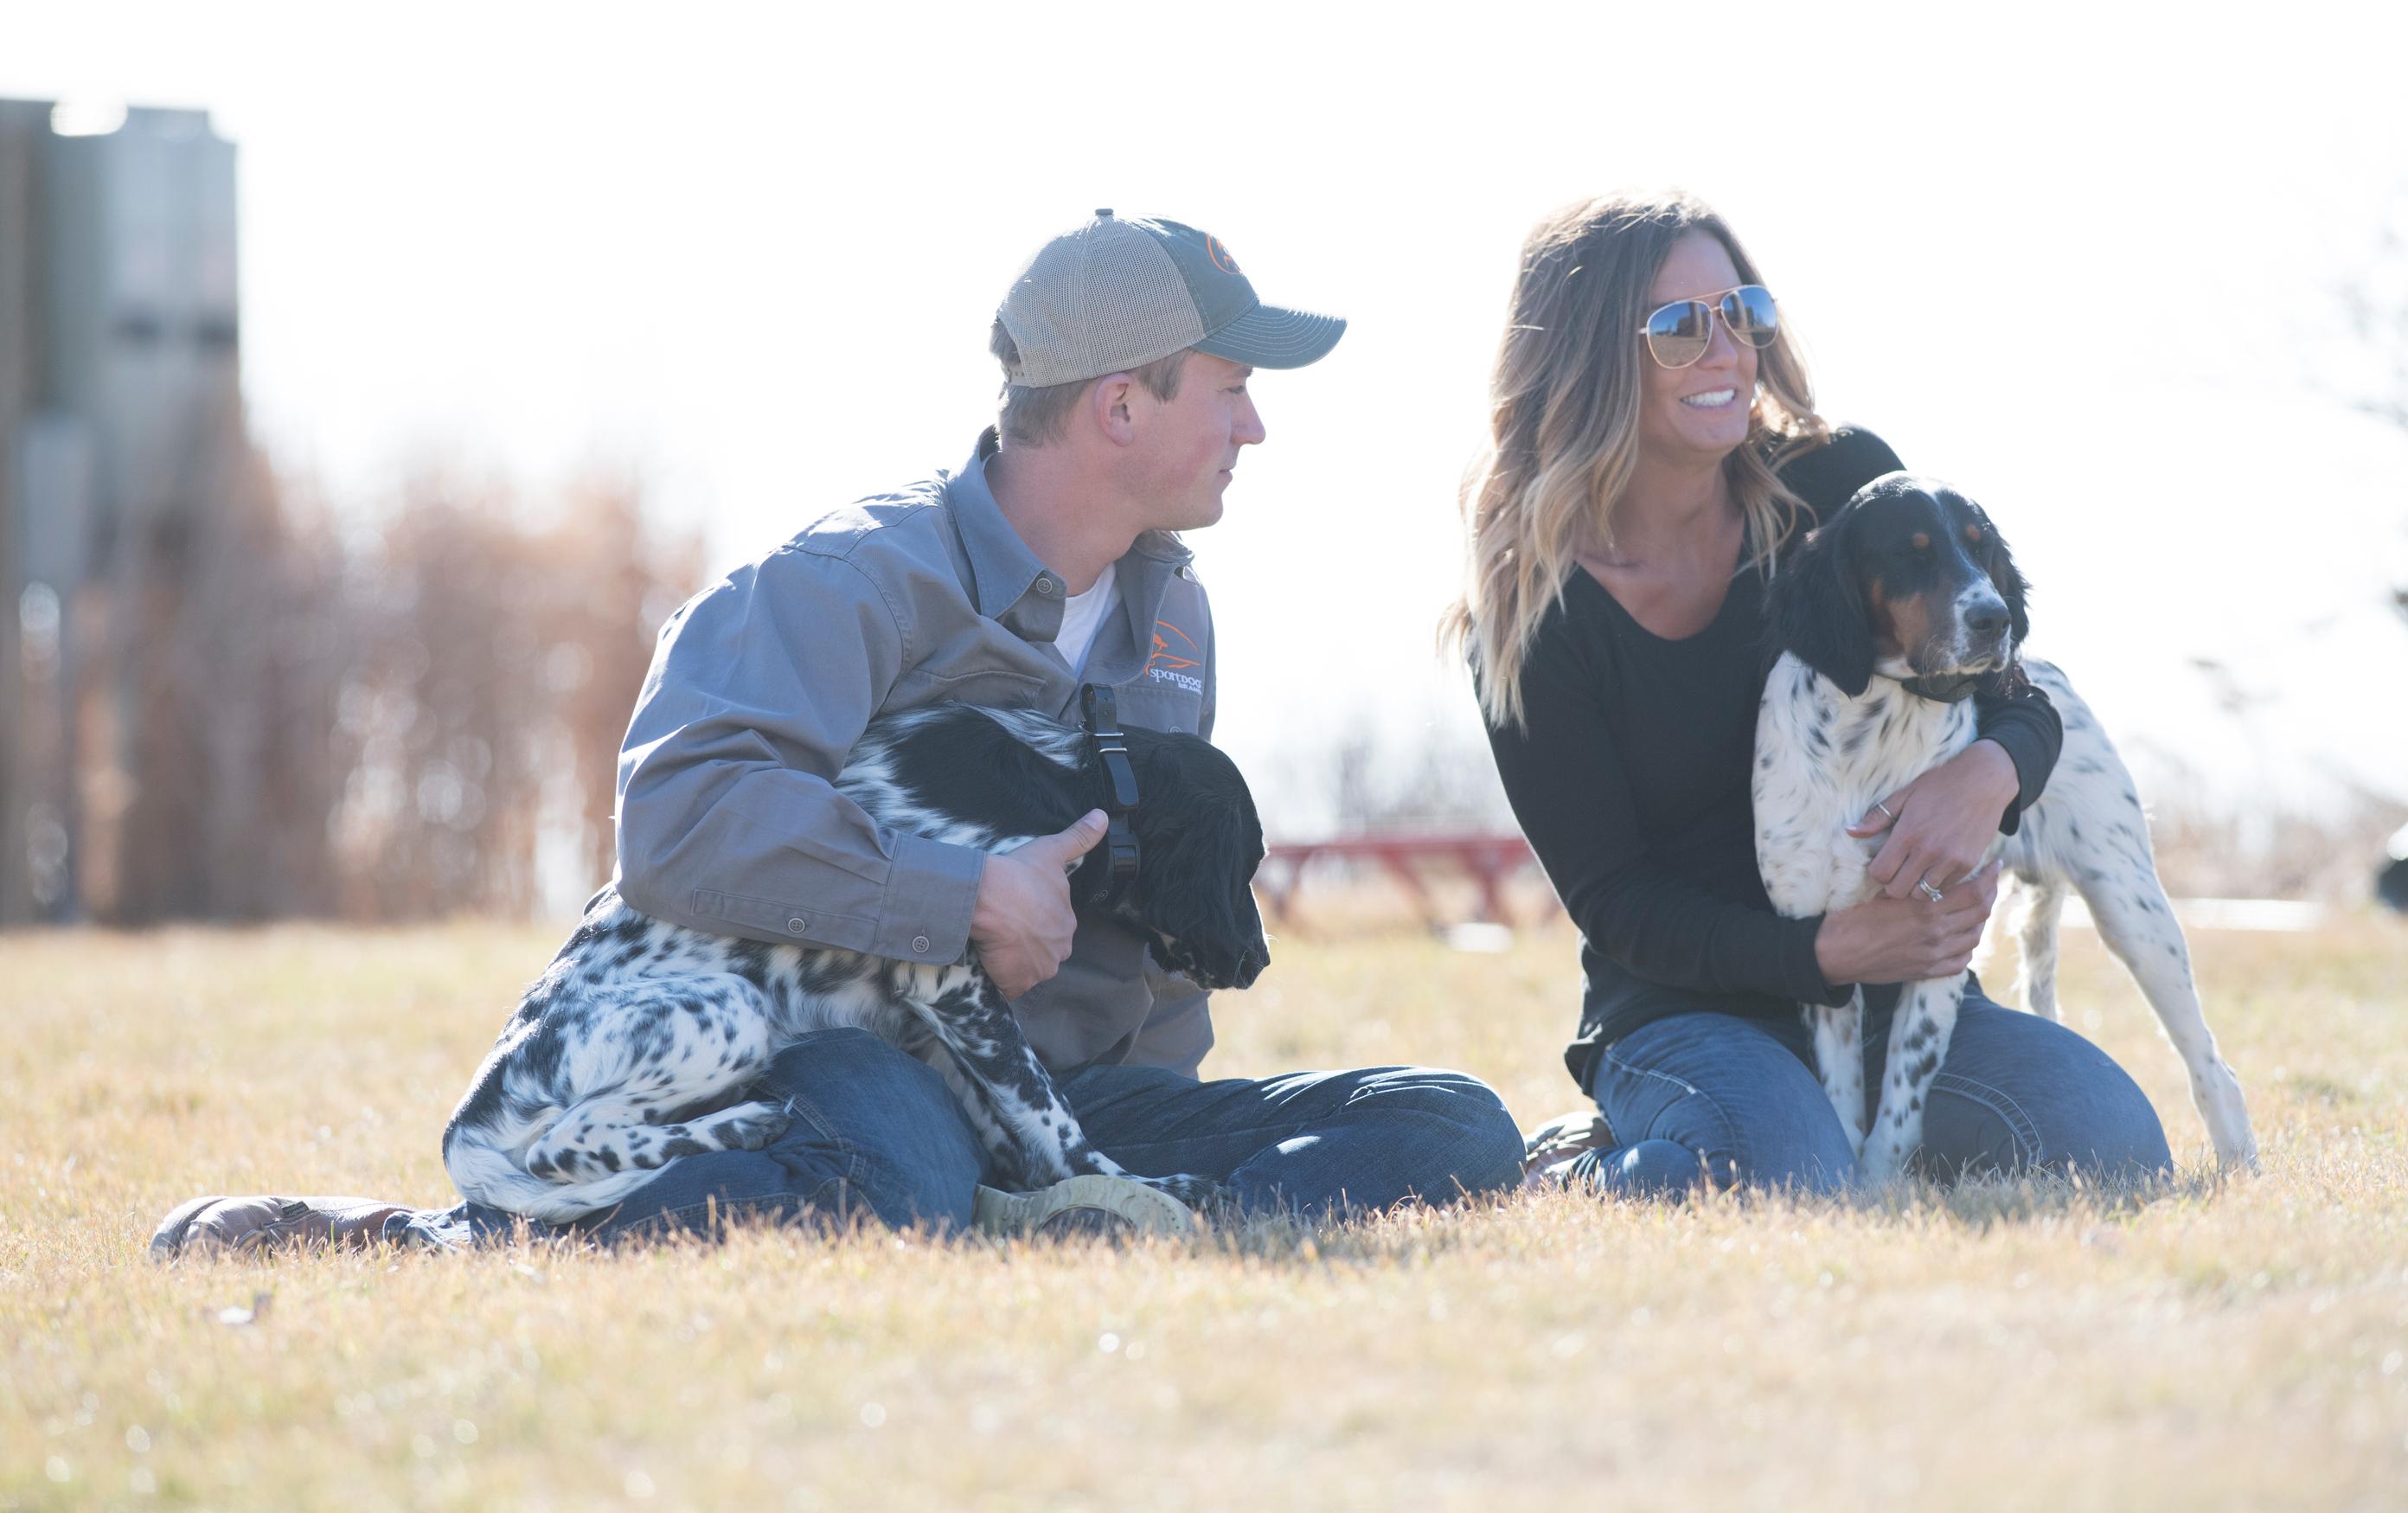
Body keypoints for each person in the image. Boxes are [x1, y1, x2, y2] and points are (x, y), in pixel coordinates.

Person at [155, 210, 1525, 1255]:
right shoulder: (847, 583)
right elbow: (677, 824)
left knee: (1450, 1126)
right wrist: (956, 898)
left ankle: (1064, 1211)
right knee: (902, 1171)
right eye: (1228, 387)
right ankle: (446, 1247)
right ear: (1121, 405)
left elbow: (1157, 916)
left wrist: (1139, 1127)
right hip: (849, 1064)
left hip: (1069, 1094)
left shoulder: (1177, 616)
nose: (1258, 424)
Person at [1445, 192, 2173, 1196]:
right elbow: (1617, 903)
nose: (1726, 348)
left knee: (2110, 1143)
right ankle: (1582, 1165)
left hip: (1899, 993)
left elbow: (2018, 690)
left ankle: (1853, 1140)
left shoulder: (1843, 484)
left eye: (1741, 310)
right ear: (1586, 357)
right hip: (1685, 1010)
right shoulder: (1531, 615)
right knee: (1791, 1182)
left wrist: (1988, 774)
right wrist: (1828, 947)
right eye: (1676, 326)